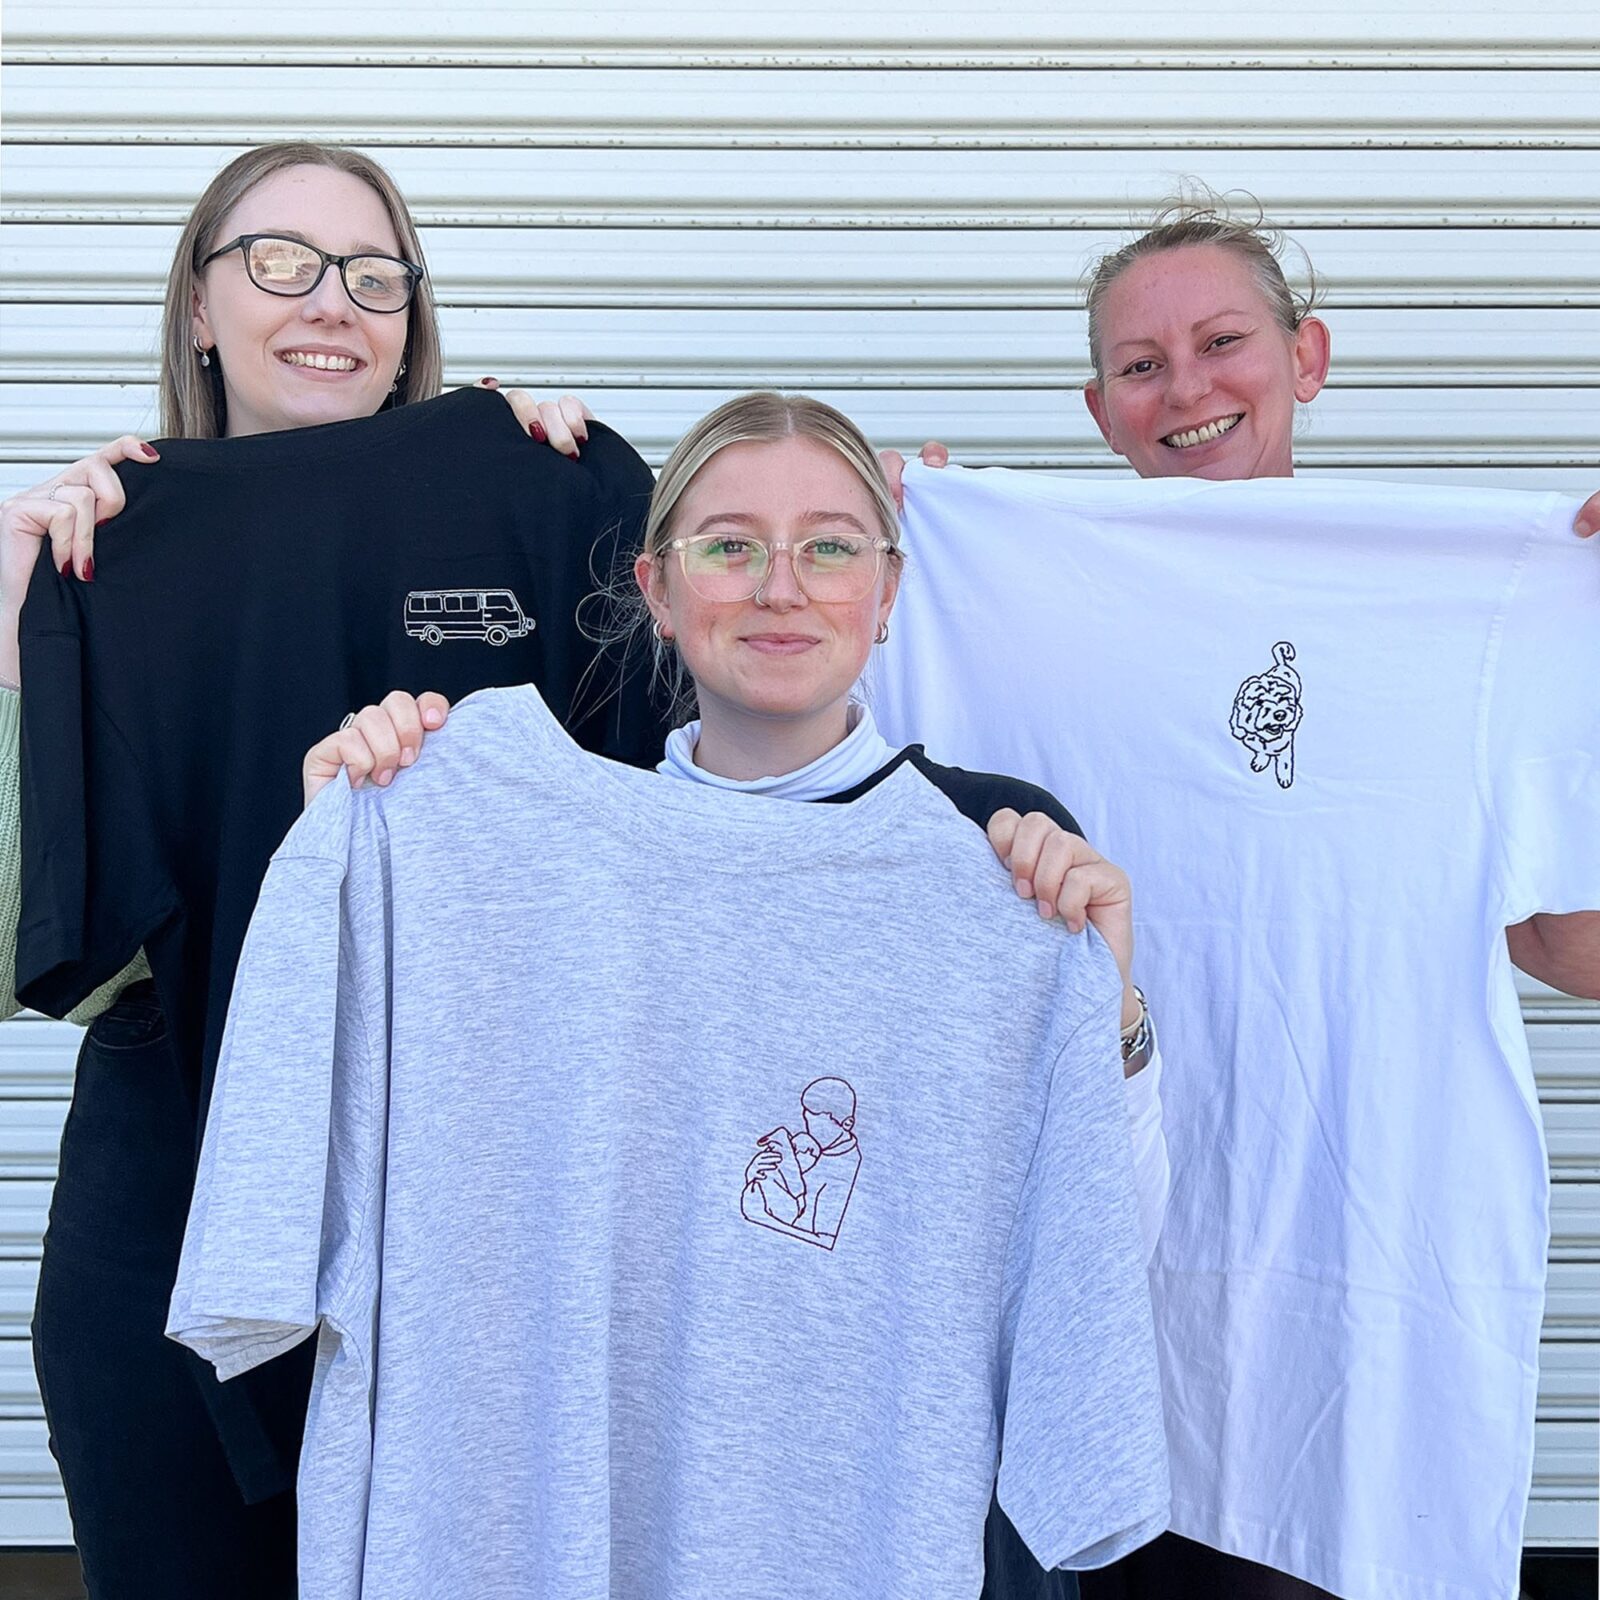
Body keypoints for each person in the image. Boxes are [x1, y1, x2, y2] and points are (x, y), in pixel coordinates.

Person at [306, 391, 1173, 1595]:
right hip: (594, 1524)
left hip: (890, 1527)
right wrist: (364, 836)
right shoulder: (525, 859)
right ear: (657, 591)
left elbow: (1099, 1247)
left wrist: (1109, 1009)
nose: (781, 586)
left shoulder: (998, 854)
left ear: (886, 594)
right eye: (729, 546)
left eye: (829, 545)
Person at [880, 195, 1599, 1598]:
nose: (1188, 388)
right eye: (1142, 365)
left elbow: (1574, 947)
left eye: (1223, 342)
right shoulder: (984, 592)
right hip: (1104, 1293)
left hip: (1363, 1305)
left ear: (1307, 356)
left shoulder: (1490, 607)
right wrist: (869, 554)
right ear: (1098, 408)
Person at [0, 141, 612, 1599]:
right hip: (180, 1153)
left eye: (372, 271)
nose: (329, 300)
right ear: (199, 305)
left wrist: (577, 507)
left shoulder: (538, 489)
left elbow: (693, 780)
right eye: (278, 261)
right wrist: (15, 626)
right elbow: (39, 945)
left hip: (471, 1163)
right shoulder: (100, 548)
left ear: (411, 314)